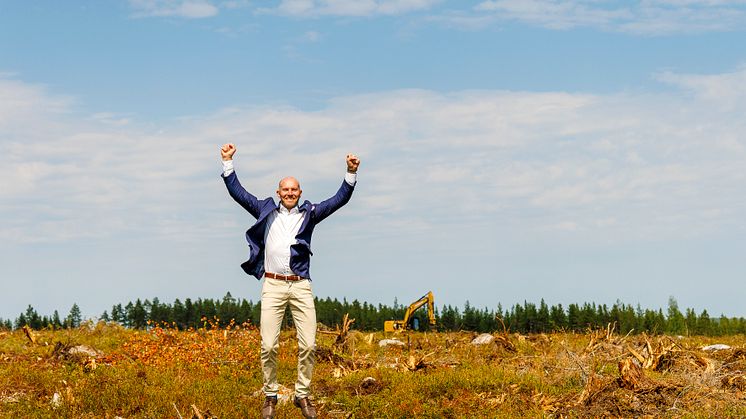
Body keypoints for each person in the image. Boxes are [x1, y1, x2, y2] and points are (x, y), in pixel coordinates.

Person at [220, 143, 359, 419]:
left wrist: (350, 172)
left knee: (308, 344)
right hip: (272, 285)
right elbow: (238, 193)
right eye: (285, 189)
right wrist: (227, 162)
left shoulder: (311, 213)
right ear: (278, 192)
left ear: (300, 193)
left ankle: (302, 394)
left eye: (294, 189)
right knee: (268, 345)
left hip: (300, 285)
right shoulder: (264, 209)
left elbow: (338, 199)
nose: (290, 193)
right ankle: (270, 396)